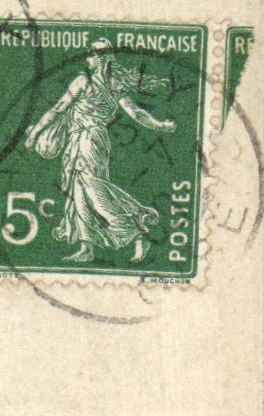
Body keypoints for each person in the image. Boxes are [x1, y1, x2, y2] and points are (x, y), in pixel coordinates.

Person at [23, 39, 176, 263]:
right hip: (85, 140)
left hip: (89, 140)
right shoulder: (112, 84)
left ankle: (137, 227)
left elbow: (58, 110)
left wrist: (35, 133)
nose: (88, 59)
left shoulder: (85, 81)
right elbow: (136, 113)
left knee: (93, 189)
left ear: (103, 58)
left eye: (92, 55)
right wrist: (160, 125)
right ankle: (87, 247)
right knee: (80, 193)